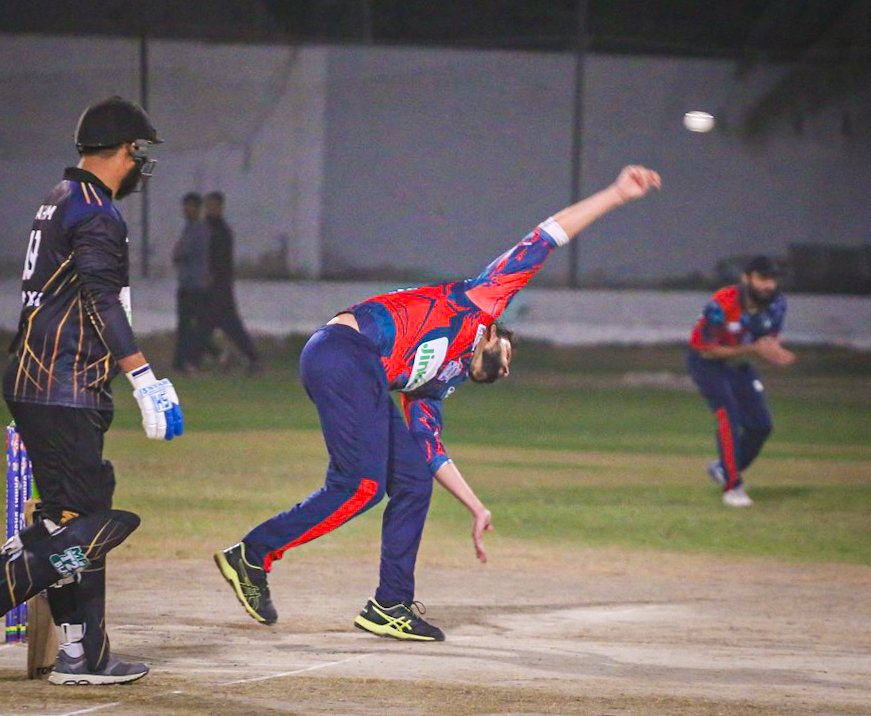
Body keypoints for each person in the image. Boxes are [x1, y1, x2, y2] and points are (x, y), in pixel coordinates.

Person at [214, 165, 662, 641]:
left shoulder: (438, 380)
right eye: (507, 356)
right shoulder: (481, 301)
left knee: (412, 478)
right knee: (361, 486)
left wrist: (476, 506)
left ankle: (390, 604)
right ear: (493, 334)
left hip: (359, 370)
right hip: (342, 352)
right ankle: (253, 555)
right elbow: (546, 237)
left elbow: (430, 449)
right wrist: (615, 195)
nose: (506, 370)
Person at [0, 96, 184, 686]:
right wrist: (143, 377)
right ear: (125, 150)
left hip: (41, 378)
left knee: (68, 520)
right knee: (87, 527)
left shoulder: (60, 198)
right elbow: (102, 301)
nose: (141, 165)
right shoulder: (98, 212)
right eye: (139, 152)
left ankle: (80, 654)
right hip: (62, 384)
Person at [687, 255, 796, 507]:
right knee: (728, 416)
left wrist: (773, 350)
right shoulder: (722, 303)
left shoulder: (777, 303)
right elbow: (706, 350)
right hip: (706, 363)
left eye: (773, 279)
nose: (769, 285)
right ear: (746, 278)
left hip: (738, 363)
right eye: (762, 278)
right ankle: (733, 488)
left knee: (761, 426)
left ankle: (723, 469)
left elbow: (767, 337)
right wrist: (752, 350)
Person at [198, 191, 262, 374]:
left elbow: (221, 259)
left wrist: (212, 276)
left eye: (213, 206)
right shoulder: (205, 229)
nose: (210, 209)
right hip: (212, 285)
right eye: (208, 206)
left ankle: (247, 358)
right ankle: (230, 356)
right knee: (208, 325)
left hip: (219, 286)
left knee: (223, 324)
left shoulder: (221, 231)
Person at [172, 192, 209, 373]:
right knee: (186, 325)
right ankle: (183, 361)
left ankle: (188, 361)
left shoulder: (199, 229)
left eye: (190, 206)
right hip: (186, 283)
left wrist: (178, 253)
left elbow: (183, 252)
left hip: (196, 284)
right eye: (185, 206)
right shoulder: (188, 228)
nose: (186, 210)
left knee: (192, 325)